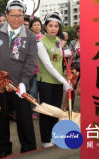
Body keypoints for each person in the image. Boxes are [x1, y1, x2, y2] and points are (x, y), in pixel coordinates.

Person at [0, 0, 37, 159]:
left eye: (20, 15)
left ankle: (29, 149)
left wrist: (24, 83)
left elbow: (31, 62)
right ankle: (4, 149)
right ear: (7, 15)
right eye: (13, 15)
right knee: (1, 118)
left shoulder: (30, 37)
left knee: (25, 120)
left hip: (19, 87)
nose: (17, 19)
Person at [37, 11, 73, 148]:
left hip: (57, 81)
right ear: (45, 26)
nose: (53, 28)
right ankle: (45, 140)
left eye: (56, 26)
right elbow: (48, 65)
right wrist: (64, 81)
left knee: (56, 110)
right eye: (50, 25)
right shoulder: (40, 44)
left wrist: (69, 53)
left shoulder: (58, 41)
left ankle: (52, 136)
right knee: (46, 111)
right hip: (46, 81)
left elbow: (58, 55)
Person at [29, 18, 44, 119]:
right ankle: (33, 109)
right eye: (34, 25)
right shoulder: (29, 38)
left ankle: (43, 109)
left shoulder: (45, 38)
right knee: (33, 91)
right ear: (31, 27)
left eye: (38, 25)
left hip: (44, 70)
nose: (37, 27)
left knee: (43, 91)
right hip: (33, 70)